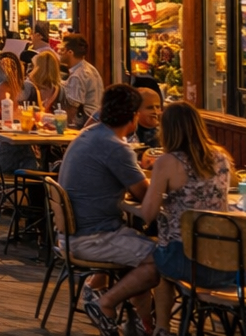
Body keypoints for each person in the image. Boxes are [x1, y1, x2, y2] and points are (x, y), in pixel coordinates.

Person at [129, 102, 234, 336]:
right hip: (224, 259)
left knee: (160, 268)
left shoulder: (167, 162)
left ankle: (161, 328)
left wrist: (120, 204)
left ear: (168, 130)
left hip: (185, 259)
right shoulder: (222, 157)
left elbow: (148, 214)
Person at [63, 84, 157, 335]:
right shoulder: (116, 147)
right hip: (93, 237)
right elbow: (145, 195)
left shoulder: (90, 134)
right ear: (134, 115)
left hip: (73, 233)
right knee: (159, 260)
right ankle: (105, 303)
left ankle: (142, 324)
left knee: (139, 254)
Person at [59, 35, 104, 128]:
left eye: (62, 50)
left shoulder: (77, 76)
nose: (59, 52)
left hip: (84, 125)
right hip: (97, 122)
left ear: (70, 52)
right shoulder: (90, 68)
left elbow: (72, 110)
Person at [132, 85, 163, 150]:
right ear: (136, 110)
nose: (155, 111)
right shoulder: (131, 133)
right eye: (150, 108)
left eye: (157, 107)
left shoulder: (165, 131)